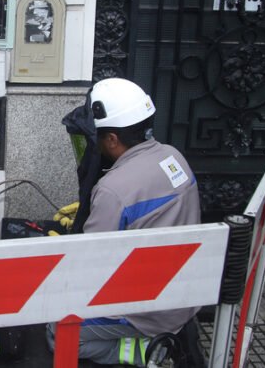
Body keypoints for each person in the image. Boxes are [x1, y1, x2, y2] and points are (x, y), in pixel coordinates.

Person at [47, 77, 202, 367]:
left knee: (58, 332)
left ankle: (145, 352)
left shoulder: (112, 189)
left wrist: (64, 253)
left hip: (151, 312)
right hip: (184, 294)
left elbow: (90, 264)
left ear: (113, 139)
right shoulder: (174, 156)